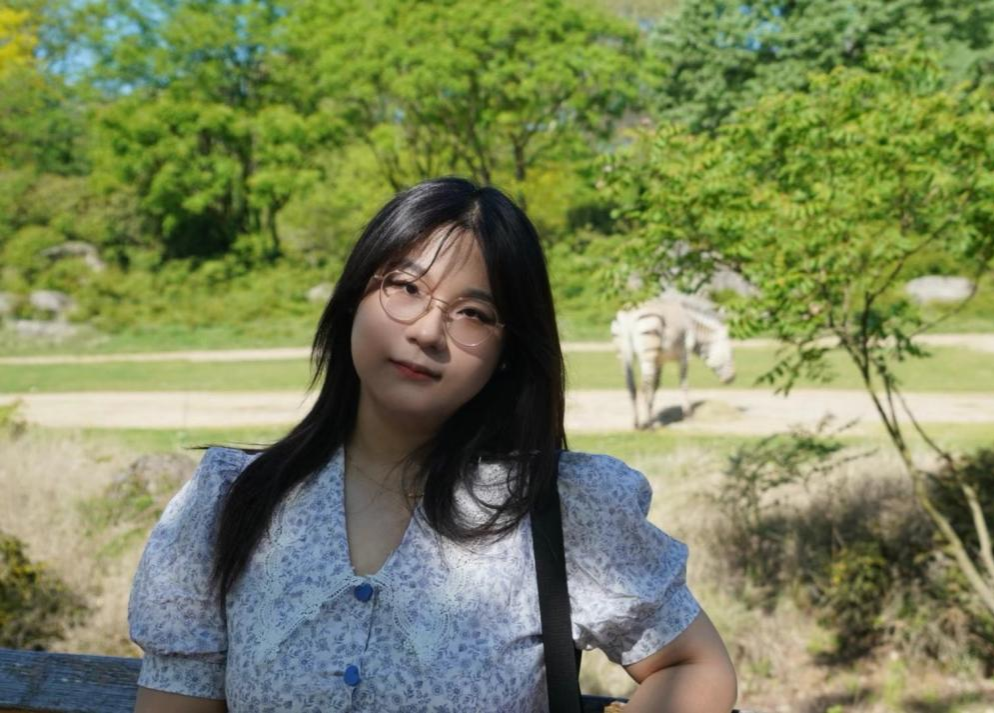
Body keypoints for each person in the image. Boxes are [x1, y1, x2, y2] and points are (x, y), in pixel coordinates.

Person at [127, 177, 738, 713]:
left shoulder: (561, 507)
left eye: (474, 313)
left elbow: (695, 666)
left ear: (507, 352)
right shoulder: (230, 502)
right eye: (405, 287)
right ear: (354, 297)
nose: (426, 331)